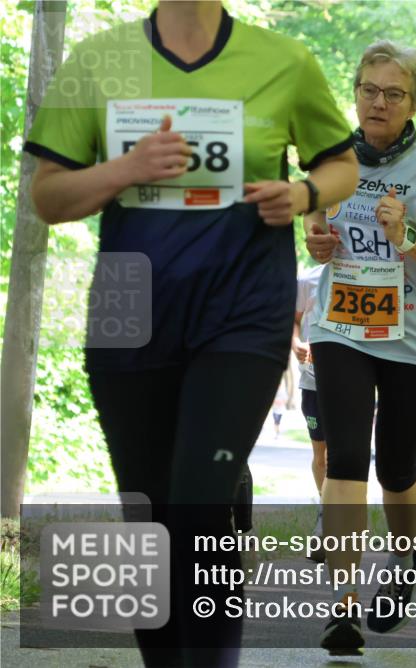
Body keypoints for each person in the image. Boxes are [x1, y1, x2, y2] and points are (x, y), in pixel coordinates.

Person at [25, 2, 358, 665]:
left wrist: (301, 195)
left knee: (197, 507)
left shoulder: (284, 61)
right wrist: (127, 168)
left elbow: (339, 166)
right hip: (130, 306)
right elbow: (47, 196)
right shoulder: (99, 60)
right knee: (149, 519)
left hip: (242, 306)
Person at [305, 40, 416, 654]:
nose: (378, 102)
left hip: (414, 338)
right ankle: (342, 606)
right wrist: (316, 237)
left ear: (412, 103)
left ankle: (405, 558)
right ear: (355, 93)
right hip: (340, 327)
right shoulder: (332, 157)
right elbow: (315, 220)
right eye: (369, 90)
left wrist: (404, 238)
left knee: (395, 467)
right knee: (346, 458)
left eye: (393, 94)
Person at [293, 264, 328, 561]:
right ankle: (325, 509)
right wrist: (297, 345)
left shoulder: (370, 271)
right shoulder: (307, 278)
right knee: (322, 456)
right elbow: (293, 321)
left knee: (343, 455)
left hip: (353, 380)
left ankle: (330, 522)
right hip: (312, 380)